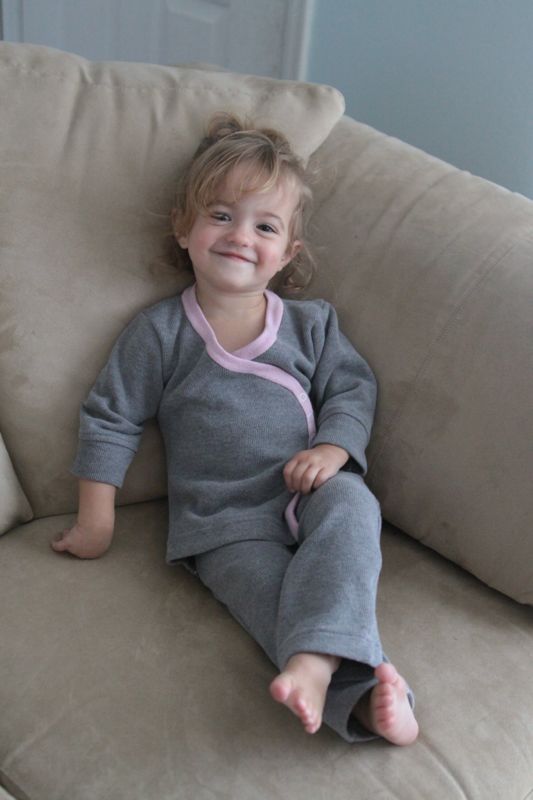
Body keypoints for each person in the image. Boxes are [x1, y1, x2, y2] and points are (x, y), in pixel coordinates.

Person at [51, 114, 419, 746]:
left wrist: (334, 449)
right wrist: (95, 521)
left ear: (288, 253)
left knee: (356, 508)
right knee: (273, 601)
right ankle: (368, 704)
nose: (240, 236)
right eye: (220, 215)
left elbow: (353, 389)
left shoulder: (312, 326)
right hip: (222, 523)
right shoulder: (158, 333)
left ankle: (313, 663)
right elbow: (110, 416)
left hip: (311, 490)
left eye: (265, 225)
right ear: (183, 227)